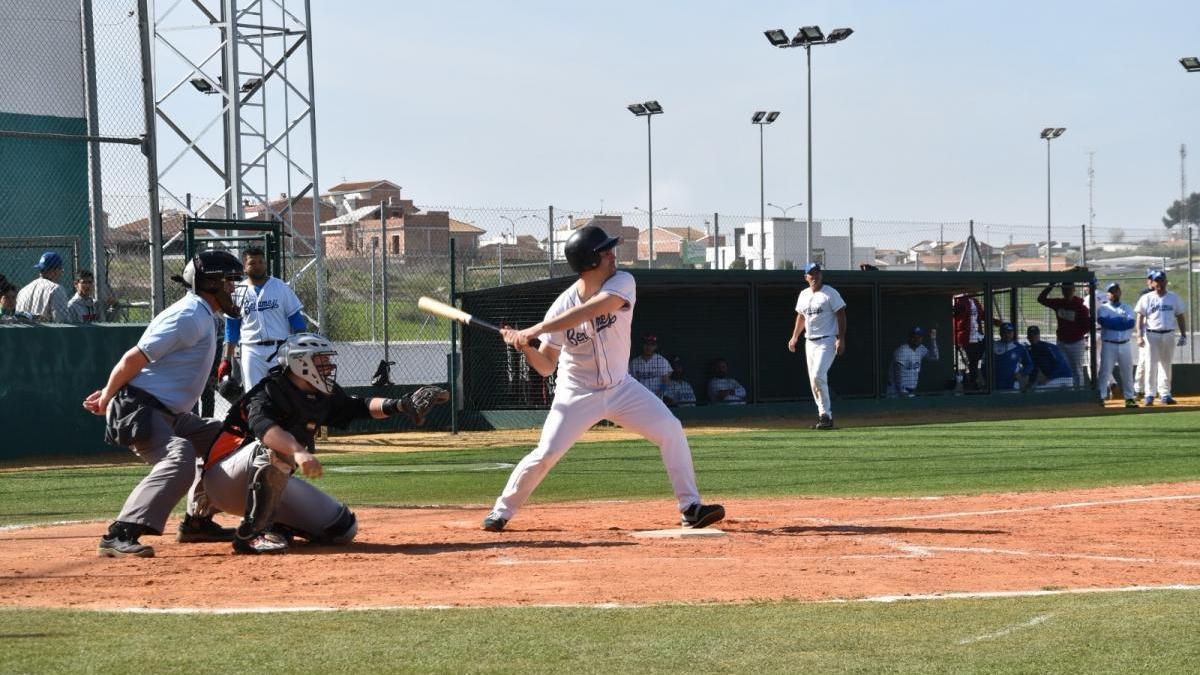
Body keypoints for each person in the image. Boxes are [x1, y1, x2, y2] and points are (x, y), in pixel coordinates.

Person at [482, 225, 725, 532]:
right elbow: (545, 367)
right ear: (589, 261)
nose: (613, 256)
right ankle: (501, 511)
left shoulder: (623, 281)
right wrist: (526, 346)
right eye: (605, 252)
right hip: (577, 392)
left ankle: (691, 508)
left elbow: (596, 308)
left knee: (670, 429)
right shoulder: (560, 307)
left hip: (622, 388)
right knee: (546, 454)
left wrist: (536, 329)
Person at [201, 333, 447, 553]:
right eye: (322, 361)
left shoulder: (321, 394)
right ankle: (251, 534)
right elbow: (265, 431)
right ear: (301, 363)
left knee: (341, 529)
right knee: (280, 448)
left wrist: (400, 405)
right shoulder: (268, 391)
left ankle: (278, 525)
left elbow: (357, 406)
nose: (329, 367)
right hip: (223, 480)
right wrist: (298, 452)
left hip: (266, 479)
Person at [82, 250, 245, 558]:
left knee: (232, 437)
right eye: (229, 281)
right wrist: (107, 395)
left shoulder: (202, 314)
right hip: (141, 409)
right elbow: (133, 358)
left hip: (170, 413)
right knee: (180, 456)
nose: (233, 288)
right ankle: (120, 533)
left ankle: (198, 521)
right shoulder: (188, 316)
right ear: (210, 284)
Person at [220, 246, 306, 392]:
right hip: (251, 350)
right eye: (252, 263)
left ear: (266, 264)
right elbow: (231, 328)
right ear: (244, 267)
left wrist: (299, 349)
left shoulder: (280, 287)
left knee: (283, 394)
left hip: (280, 349)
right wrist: (226, 359)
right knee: (253, 395)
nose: (258, 266)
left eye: (261, 262)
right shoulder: (237, 292)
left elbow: (297, 321)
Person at [788, 262, 846, 430]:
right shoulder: (803, 294)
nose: (815, 276)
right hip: (810, 342)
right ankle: (824, 416)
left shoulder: (830, 293)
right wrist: (794, 337)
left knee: (818, 376)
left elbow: (841, 314)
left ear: (821, 275)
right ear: (806, 277)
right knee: (814, 380)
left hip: (827, 340)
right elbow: (801, 317)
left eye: (817, 273)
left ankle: (826, 414)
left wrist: (841, 338)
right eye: (811, 274)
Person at [1135, 270, 1187, 406]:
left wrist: (1183, 334)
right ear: (1152, 283)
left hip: (1169, 333)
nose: (1159, 283)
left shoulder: (1173, 297)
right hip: (1151, 334)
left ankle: (1165, 394)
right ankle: (1149, 394)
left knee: (1166, 364)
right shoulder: (1146, 297)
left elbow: (1180, 316)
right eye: (1156, 281)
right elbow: (1139, 317)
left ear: (1165, 281)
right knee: (1150, 364)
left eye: (1161, 280)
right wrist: (1139, 335)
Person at [1037, 281, 1092, 387]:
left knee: (1077, 369)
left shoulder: (1080, 307)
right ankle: (1068, 390)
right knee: (1063, 367)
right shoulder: (1059, 303)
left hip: (1076, 343)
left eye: (1069, 289)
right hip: (1062, 342)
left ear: (1074, 290)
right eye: (1064, 289)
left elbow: (1087, 325)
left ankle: (1079, 392)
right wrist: (1051, 286)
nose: (1066, 291)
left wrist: (1076, 335)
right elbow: (1041, 299)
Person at [1096, 282, 1138, 408]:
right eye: (1111, 291)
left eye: (1116, 290)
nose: (1114, 293)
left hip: (1125, 344)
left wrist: (1114, 322)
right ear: (1107, 294)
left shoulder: (1127, 307)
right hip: (1109, 344)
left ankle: (1129, 398)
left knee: (1127, 372)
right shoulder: (1103, 308)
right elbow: (1104, 322)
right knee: (1105, 372)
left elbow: (1130, 323)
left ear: (1120, 292)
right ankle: (1101, 396)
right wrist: (1119, 322)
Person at [15, 251, 70, 323]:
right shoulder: (56, 289)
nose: (61, 274)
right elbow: (62, 321)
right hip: (46, 333)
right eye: (61, 271)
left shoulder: (23, 291)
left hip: (23, 334)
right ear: (55, 271)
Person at [888, 327, 940, 397]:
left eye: (919, 337)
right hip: (896, 391)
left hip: (910, 391)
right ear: (909, 337)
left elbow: (934, 357)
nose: (917, 339)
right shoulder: (902, 351)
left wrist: (933, 340)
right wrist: (901, 391)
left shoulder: (921, 349)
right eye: (914, 337)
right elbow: (898, 372)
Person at [952, 293, 986, 388]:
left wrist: (995, 321)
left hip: (978, 336)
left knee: (982, 354)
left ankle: (975, 378)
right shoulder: (959, 300)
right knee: (973, 361)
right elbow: (957, 315)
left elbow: (982, 314)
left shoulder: (975, 301)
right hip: (967, 338)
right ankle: (972, 381)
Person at [992, 322, 1035, 392]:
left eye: (1009, 332)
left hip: (1013, 384)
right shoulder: (992, 346)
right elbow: (984, 365)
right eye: (1004, 332)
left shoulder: (1020, 348)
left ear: (1013, 333)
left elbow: (1029, 364)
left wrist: (1021, 374)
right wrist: (986, 379)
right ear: (1000, 333)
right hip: (994, 385)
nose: (1007, 335)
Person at [1134, 271, 1156, 398]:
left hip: (1157, 333)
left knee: (1155, 363)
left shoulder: (1162, 294)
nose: (1153, 282)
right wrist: (1139, 335)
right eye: (1151, 279)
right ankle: (1138, 389)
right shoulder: (1144, 294)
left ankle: (1153, 389)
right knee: (1143, 361)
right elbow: (1140, 316)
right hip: (1146, 332)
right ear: (1148, 281)